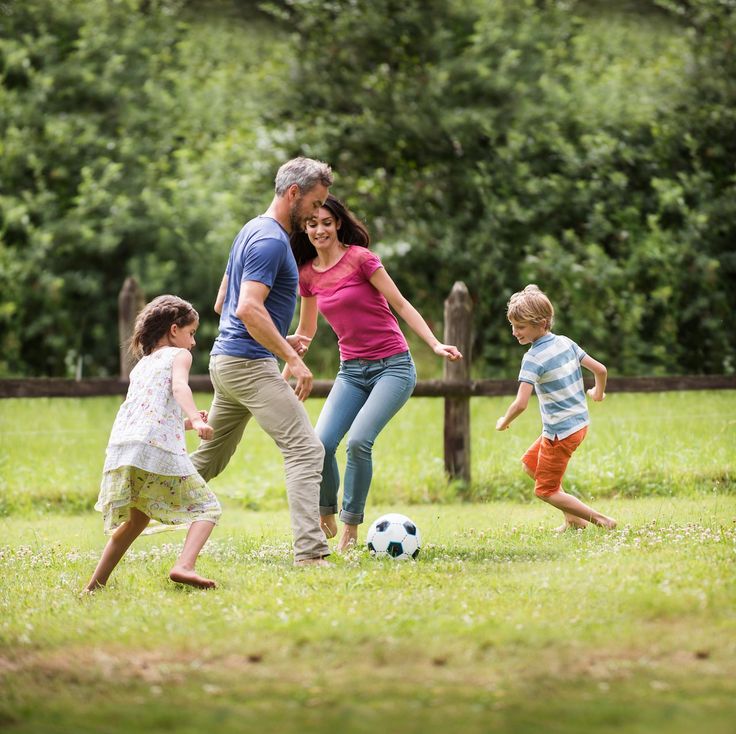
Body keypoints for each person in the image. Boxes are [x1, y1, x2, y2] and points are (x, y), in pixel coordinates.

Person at [287, 194, 463, 552]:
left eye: (325, 222)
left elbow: (400, 303)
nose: (319, 229)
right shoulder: (307, 275)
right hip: (350, 371)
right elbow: (307, 328)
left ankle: (351, 528)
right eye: (312, 223)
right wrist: (294, 344)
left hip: (393, 368)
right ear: (304, 228)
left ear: (337, 224)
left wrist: (433, 344)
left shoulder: (360, 259)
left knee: (358, 442)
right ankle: (327, 513)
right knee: (320, 444)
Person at [190, 156, 333, 566]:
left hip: (228, 361)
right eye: (314, 202)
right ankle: (311, 553)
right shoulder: (271, 240)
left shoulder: (251, 229)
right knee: (306, 450)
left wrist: (277, 336)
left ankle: (137, 502)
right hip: (248, 365)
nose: (316, 212)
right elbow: (247, 309)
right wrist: (291, 356)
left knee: (208, 460)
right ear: (294, 194)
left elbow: (224, 303)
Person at [85, 295, 222, 592]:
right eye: (191, 333)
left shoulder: (142, 365)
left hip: (125, 447)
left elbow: (151, 411)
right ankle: (184, 566)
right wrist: (196, 420)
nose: (193, 342)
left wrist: (185, 421)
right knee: (208, 509)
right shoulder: (179, 356)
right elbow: (179, 386)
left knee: (136, 520)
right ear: (174, 330)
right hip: (155, 449)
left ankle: (93, 587)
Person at [495, 284, 617, 531]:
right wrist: (597, 392)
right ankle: (573, 518)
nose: (514, 332)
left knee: (545, 490)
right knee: (531, 465)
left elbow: (520, 404)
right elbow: (601, 370)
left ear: (541, 323)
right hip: (579, 424)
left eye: (520, 327)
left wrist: (504, 420)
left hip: (560, 433)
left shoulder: (533, 358)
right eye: (513, 326)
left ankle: (602, 521)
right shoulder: (566, 343)